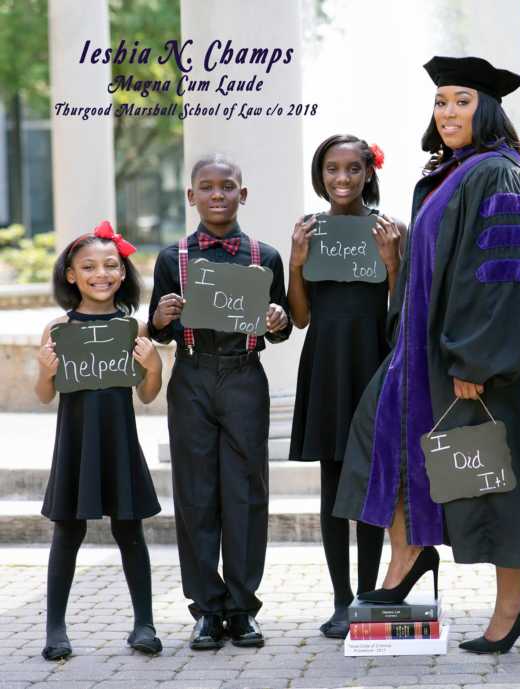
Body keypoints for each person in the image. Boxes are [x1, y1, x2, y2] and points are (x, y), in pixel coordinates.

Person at [334, 55, 520, 654]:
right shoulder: (453, 174)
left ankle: (514, 608)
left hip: (482, 367)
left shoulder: (497, 176)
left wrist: (476, 360)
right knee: (380, 439)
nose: (447, 113)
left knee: (496, 479)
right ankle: (409, 556)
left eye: (461, 101)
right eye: (441, 102)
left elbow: (503, 278)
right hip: (425, 359)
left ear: (487, 110)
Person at [148, 154, 292, 649]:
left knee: (247, 492)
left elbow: (283, 327)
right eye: (206, 187)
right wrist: (163, 315)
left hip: (244, 377)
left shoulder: (264, 256)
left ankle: (243, 607)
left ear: (242, 195)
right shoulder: (173, 259)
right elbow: (157, 330)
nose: (216, 195)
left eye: (227, 186)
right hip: (190, 376)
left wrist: (276, 318)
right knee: (195, 493)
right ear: (191, 197)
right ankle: (206, 609)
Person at [288, 135, 405, 639]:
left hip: (372, 361)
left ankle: (367, 597)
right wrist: (294, 262)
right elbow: (298, 316)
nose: (342, 179)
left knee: (370, 482)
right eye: (332, 169)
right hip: (326, 363)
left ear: (367, 173)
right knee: (334, 483)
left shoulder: (390, 228)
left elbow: (402, 311)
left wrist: (394, 261)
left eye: (352, 169)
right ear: (320, 175)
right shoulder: (309, 231)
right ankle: (339, 600)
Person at [36, 221, 163, 660]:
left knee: (131, 531)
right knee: (66, 533)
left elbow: (146, 395)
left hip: (119, 441)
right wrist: (45, 371)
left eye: (110, 265)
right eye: (88, 266)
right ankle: (55, 629)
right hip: (75, 443)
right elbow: (44, 395)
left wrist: (155, 367)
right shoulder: (58, 330)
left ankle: (144, 623)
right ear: (71, 275)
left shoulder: (133, 329)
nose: (100, 274)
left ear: (123, 273)